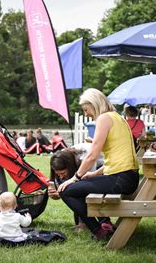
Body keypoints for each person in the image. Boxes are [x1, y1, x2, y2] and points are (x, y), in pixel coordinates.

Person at [58, 88, 139, 240]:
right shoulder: (117, 117)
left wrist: (74, 177)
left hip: (121, 180)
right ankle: (105, 223)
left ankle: (99, 231)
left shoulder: (104, 118)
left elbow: (92, 155)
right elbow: (118, 158)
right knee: (84, 182)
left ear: (94, 104)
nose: (86, 113)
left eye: (86, 109)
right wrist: (94, 174)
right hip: (128, 177)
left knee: (66, 191)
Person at [49, 148, 107, 232]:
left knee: (79, 189)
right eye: (58, 174)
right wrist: (56, 194)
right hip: (84, 169)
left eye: (63, 173)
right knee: (74, 187)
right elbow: (63, 190)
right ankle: (82, 224)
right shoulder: (59, 159)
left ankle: (95, 224)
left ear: (69, 167)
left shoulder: (85, 159)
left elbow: (84, 187)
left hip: (102, 169)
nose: (61, 177)